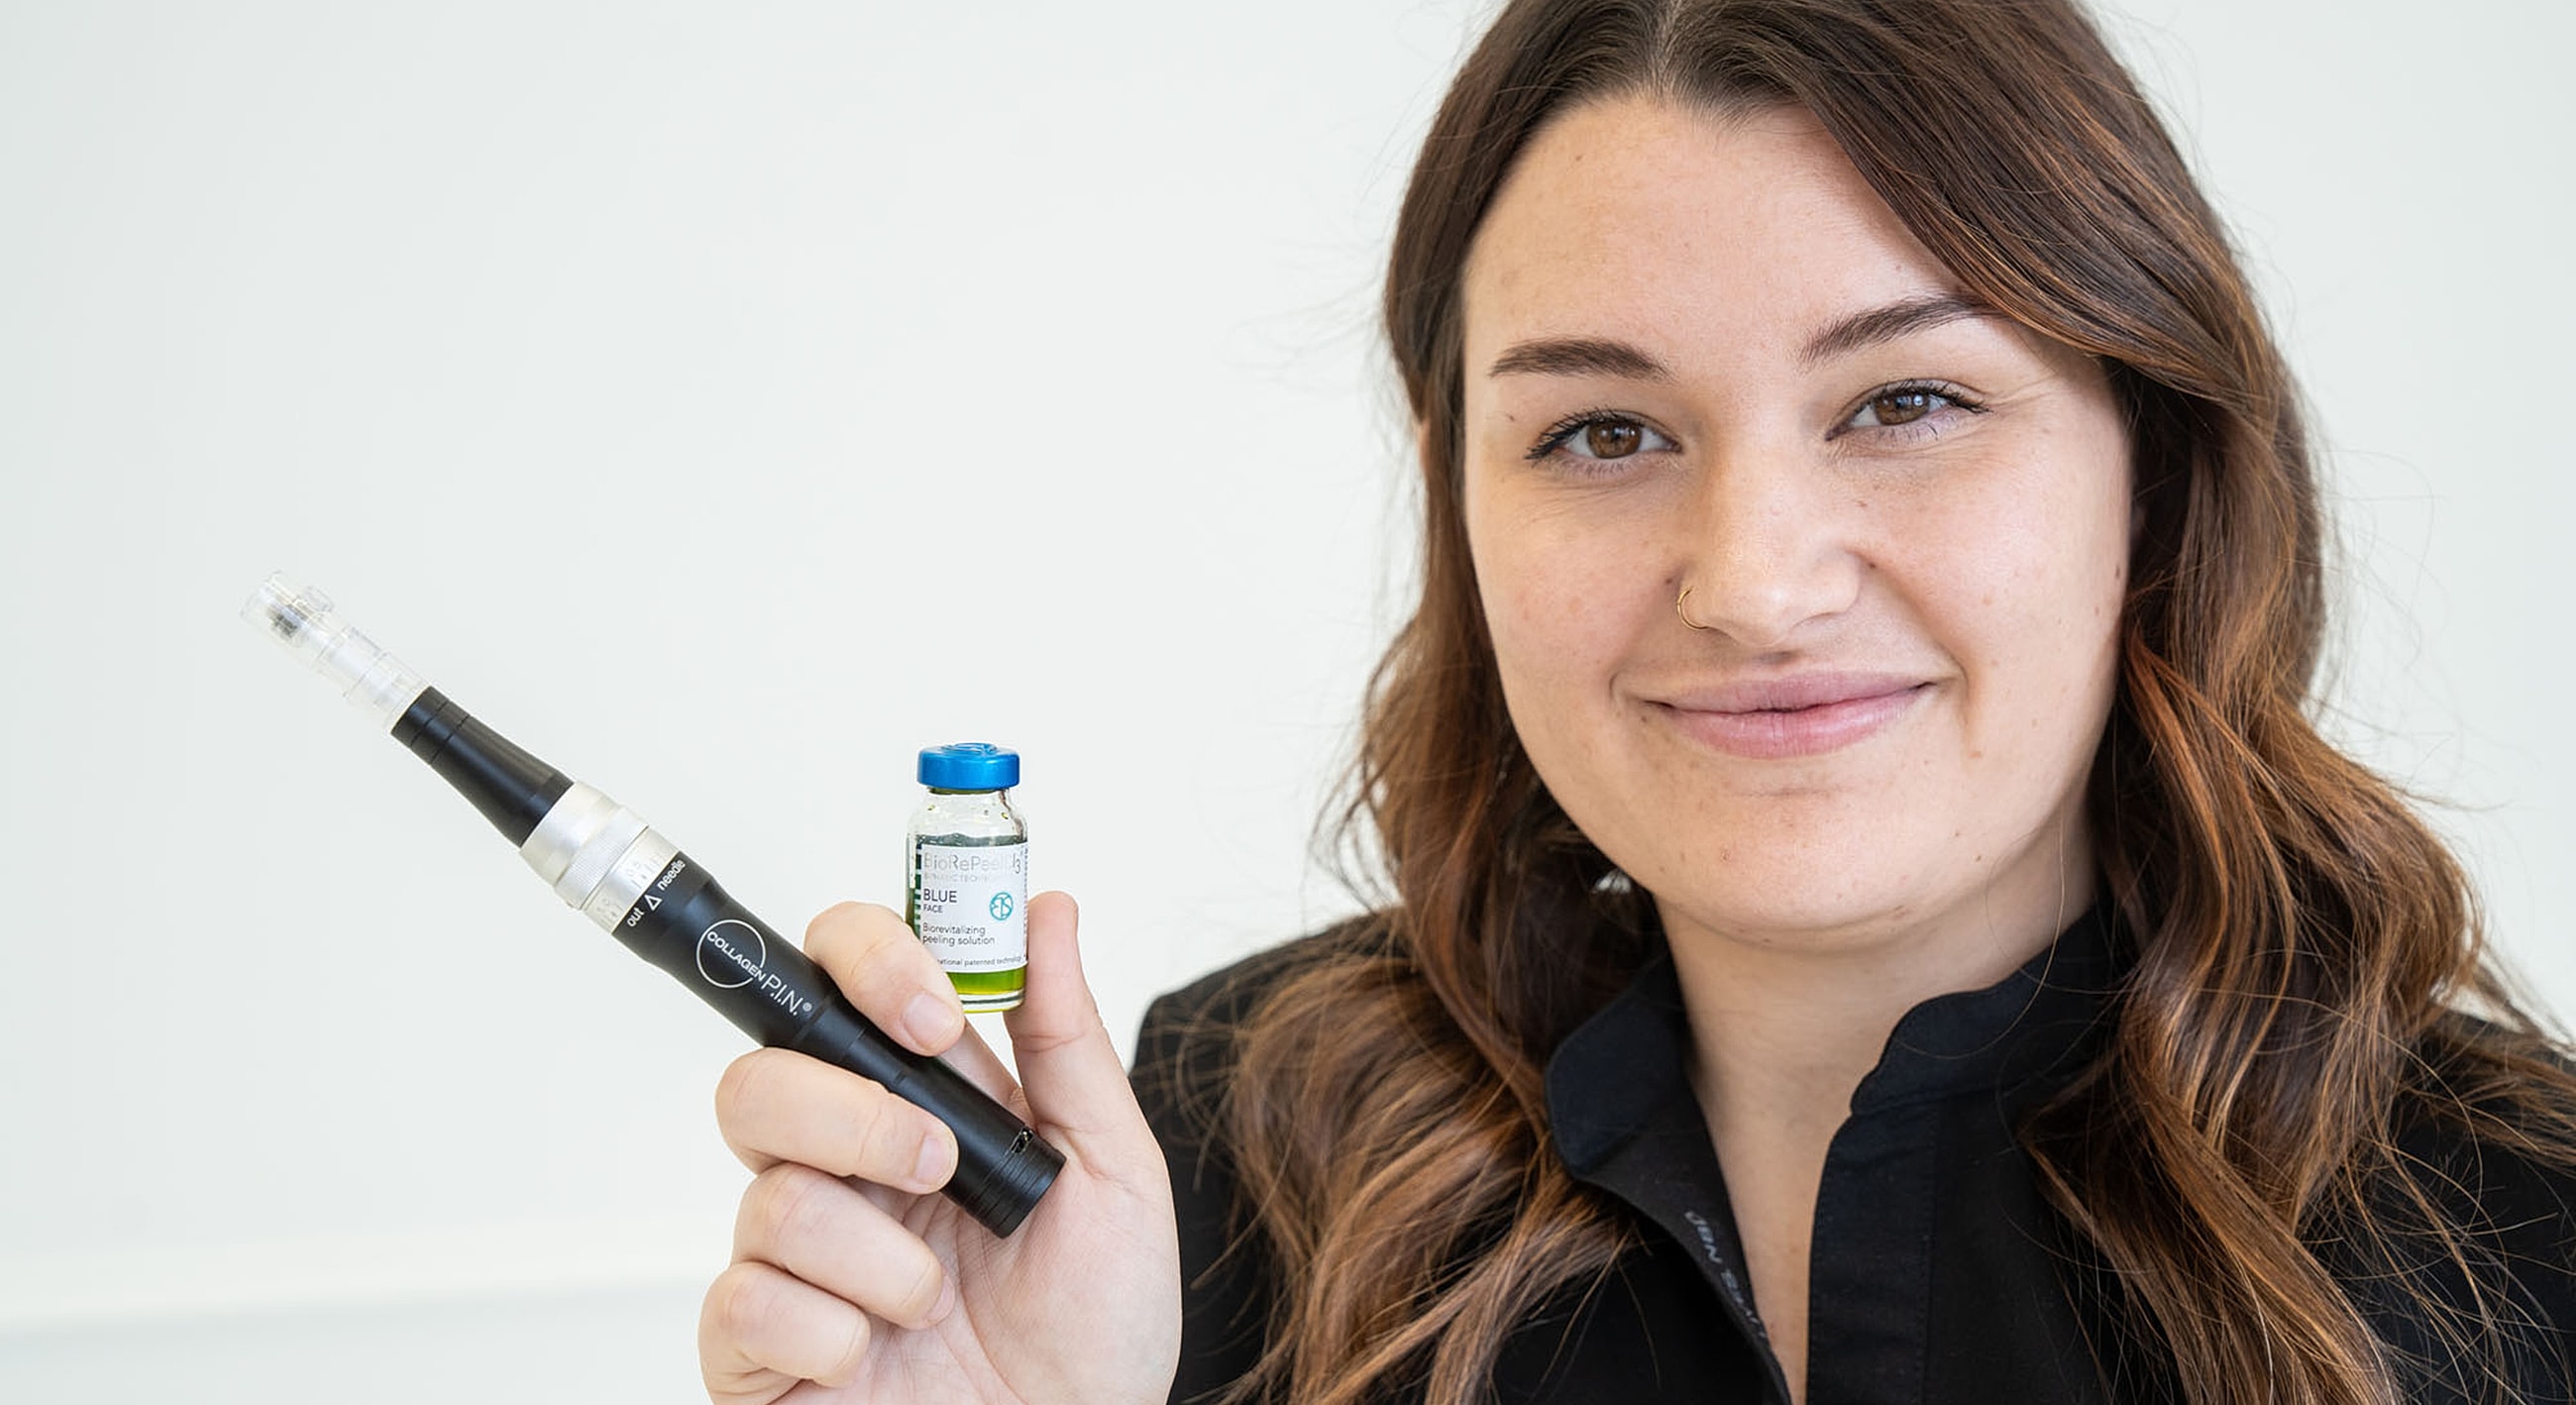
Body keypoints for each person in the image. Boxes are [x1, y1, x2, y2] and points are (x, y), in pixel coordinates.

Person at [696, 1, 2576, 1401]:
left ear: (2153, 466)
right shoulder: (1183, 1182)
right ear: (1458, 491)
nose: (1755, 581)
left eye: (1906, 403)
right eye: (1602, 430)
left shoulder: (2529, 1244)